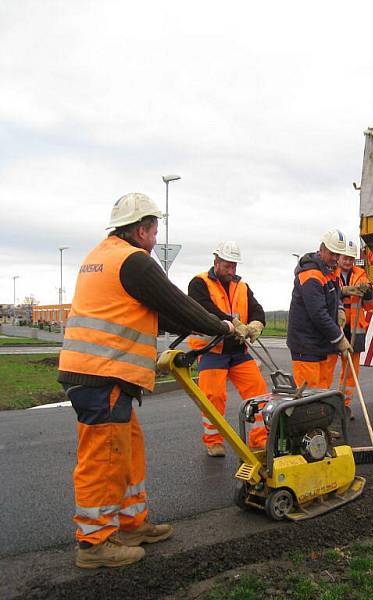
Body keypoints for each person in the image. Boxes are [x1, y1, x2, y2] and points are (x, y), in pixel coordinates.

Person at [58, 193, 236, 569]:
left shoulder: (100, 256)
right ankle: (94, 542)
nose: (156, 240)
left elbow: (159, 314)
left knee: (128, 448)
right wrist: (221, 327)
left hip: (98, 373)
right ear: (141, 230)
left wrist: (200, 328)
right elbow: (176, 303)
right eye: (155, 231)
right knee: (105, 457)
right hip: (101, 374)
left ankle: (131, 524)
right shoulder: (134, 261)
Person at [187, 242, 268, 457]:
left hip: (238, 351)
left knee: (258, 392)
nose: (231, 271)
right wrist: (232, 322)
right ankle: (213, 441)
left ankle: (260, 440)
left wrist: (257, 323)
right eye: (227, 266)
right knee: (213, 396)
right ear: (216, 262)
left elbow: (256, 309)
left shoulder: (242, 286)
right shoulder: (198, 284)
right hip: (212, 350)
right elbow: (206, 310)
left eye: (234, 266)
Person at [287, 229, 351, 390]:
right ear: (321, 249)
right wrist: (339, 339)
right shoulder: (311, 275)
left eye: (338, 254)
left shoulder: (331, 271)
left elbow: (335, 295)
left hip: (323, 345)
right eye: (332, 254)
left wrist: (340, 308)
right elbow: (318, 314)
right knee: (308, 399)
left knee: (322, 394)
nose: (335, 258)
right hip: (306, 346)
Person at [337, 238, 373, 418]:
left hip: (354, 329)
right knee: (326, 369)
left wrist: (368, 292)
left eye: (351, 259)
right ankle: (322, 408)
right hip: (334, 328)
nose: (348, 262)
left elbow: (372, 304)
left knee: (350, 372)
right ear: (338, 257)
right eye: (345, 258)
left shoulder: (361, 275)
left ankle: (343, 406)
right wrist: (343, 291)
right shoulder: (331, 273)